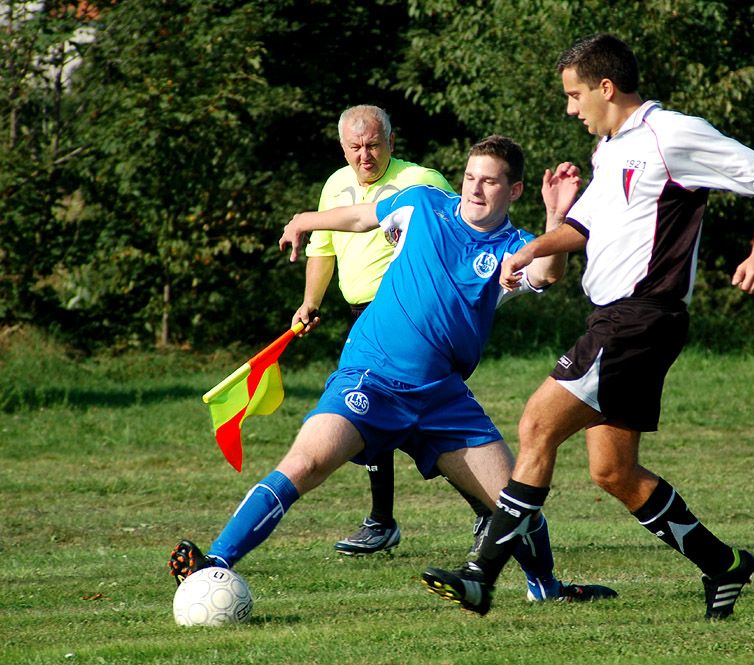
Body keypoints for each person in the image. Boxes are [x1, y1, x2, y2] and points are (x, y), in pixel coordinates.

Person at [423, 33, 754, 620]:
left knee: (536, 423)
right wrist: (532, 247)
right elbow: (583, 230)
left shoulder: (671, 133)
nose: (571, 109)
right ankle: (724, 566)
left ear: (606, 88)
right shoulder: (611, 150)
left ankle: (479, 576)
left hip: (639, 316)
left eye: (574, 95)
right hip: (621, 318)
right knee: (613, 471)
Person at [169, 135, 618, 607]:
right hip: (372, 377)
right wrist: (305, 220)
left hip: (441, 395)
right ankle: (215, 564)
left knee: (514, 498)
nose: (475, 189)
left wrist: (556, 218)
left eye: (489, 181)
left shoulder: (515, 246)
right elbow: (363, 217)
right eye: (470, 177)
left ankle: (545, 590)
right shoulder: (423, 203)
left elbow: (547, 273)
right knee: (305, 463)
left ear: (516, 190)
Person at [292, 104, 493, 557]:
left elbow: (463, 236)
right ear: (343, 147)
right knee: (371, 413)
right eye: (355, 148)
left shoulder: (421, 182)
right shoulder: (334, 186)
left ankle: (473, 509)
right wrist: (310, 302)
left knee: (400, 421)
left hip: (411, 323)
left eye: (373, 145)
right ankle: (393, 519)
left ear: (392, 142)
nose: (365, 156)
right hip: (364, 316)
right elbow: (322, 249)